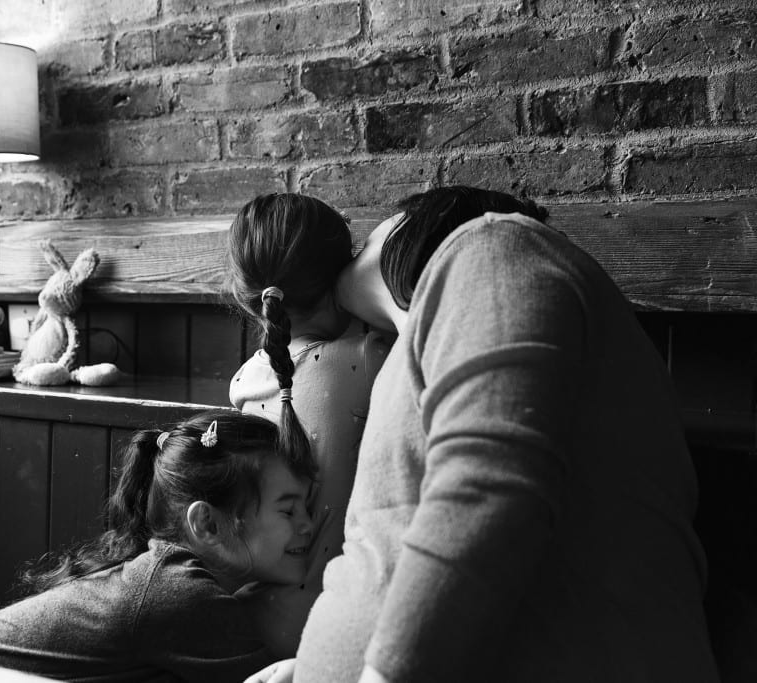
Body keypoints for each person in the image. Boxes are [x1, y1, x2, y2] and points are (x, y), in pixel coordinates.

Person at [250, 186, 720, 683]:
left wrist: (350, 287)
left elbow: (486, 492)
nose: (353, 257)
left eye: (368, 241)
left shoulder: (497, 248)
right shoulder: (469, 323)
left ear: (420, 227)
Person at [0, 410, 315, 683]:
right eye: (289, 510)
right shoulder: (182, 596)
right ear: (207, 524)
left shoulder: (163, 578)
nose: (309, 525)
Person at [226, 193, 390, 657]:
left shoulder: (244, 383)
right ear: (340, 282)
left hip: (248, 621)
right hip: (329, 631)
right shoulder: (369, 359)